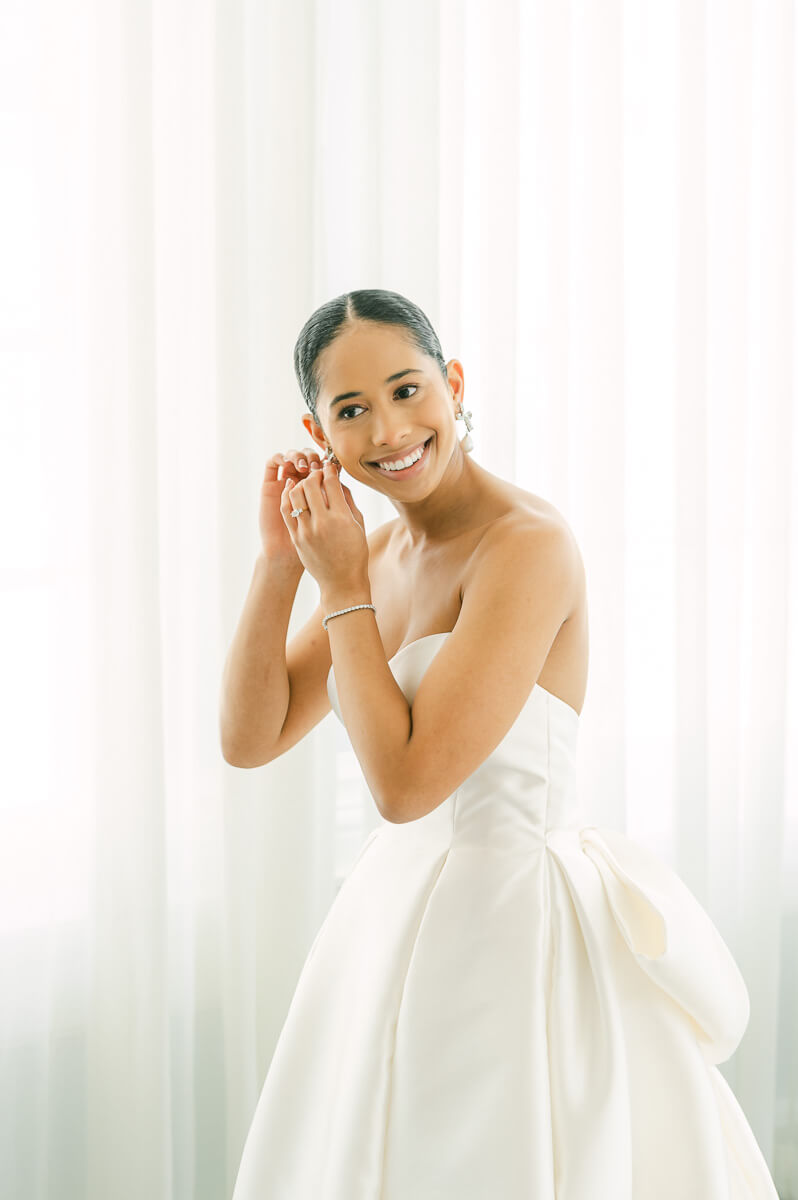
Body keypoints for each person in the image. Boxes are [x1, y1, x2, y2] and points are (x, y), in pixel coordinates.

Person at [221, 289, 778, 1198]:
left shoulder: (527, 547)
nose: (390, 428)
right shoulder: (380, 558)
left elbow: (407, 785)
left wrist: (339, 587)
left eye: (408, 390)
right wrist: (282, 563)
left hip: (513, 926)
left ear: (454, 383)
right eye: (352, 410)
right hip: (392, 916)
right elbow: (248, 738)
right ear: (317, 430)